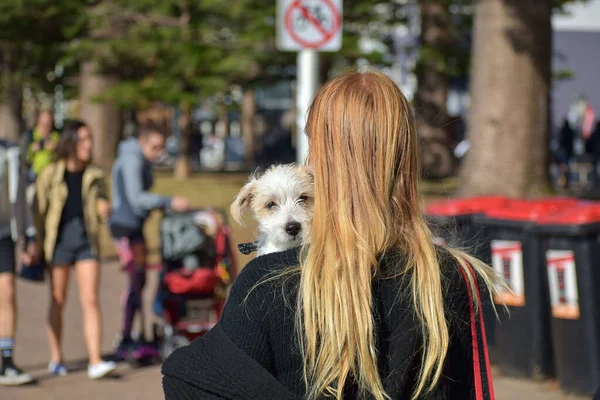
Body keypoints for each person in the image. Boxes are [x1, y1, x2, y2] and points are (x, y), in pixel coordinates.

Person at [162, 71, 499, 400]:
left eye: (312, 144)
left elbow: (190, 381)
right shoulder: (453, 276)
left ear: (320, 161)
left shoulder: (269, 283)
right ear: (405, 156)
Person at [35, 120, 116, 379]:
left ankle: (95, 360)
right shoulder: (50, 174)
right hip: (58, 244)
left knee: (90, 300)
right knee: (58, 301)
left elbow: (101, 203)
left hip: (85, 243)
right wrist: (34, 245)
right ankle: (56, 358)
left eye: (90, 139)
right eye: (83, 140)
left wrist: (104, 209)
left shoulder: (95, 174)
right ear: (70, 142)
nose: (88, 145)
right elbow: (39, 212)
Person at [109, 123, 190, 357]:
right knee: (135, 283)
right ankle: (125, 338)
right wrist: (168, 201)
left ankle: (131, 336)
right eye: (155, 147)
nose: (158, 152)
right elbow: (136, 200)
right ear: (142, 142)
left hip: (135, 227)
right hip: (125, 227)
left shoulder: (137, 158)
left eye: (161, 147)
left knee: (140, 281)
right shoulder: (132, 159)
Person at [0, 139, 37, 386]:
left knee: (7, 293)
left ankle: (7, 362)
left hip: (4, 234)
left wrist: (29, 233)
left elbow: (20, 196)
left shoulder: (9, 152)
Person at [20, 110, 61, 182]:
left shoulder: (55, 136)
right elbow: (22, 158)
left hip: (52, 174)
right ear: (38, 121)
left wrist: (56, 149)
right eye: (43, 124)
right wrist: (31, 150)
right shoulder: (29, 136)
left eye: (48, 124)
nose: (46, 126)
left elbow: (62, 154)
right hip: (34, 174)